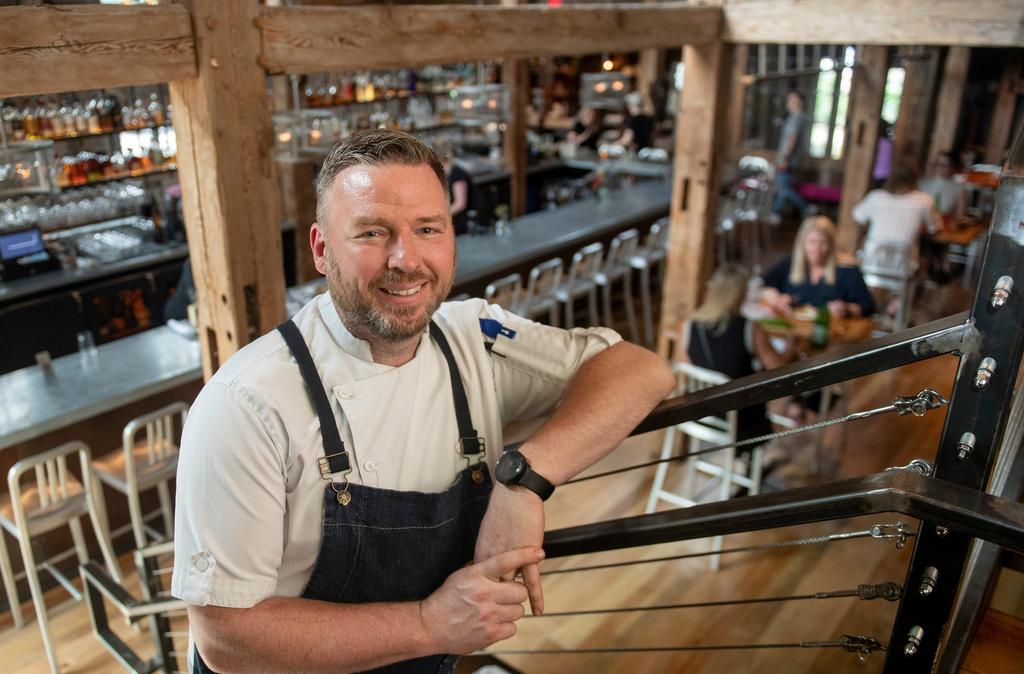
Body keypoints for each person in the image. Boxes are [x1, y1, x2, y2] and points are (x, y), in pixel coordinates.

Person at [173, 129, 674, 673]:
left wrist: (524, 481)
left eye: (428, 229)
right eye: (371, 232)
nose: (406, 259)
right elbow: (227, 639)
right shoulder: (246, 404)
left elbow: (641, 370)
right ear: (321, 249)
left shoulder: (472, 336)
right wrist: (430, 625)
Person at [682, 265, 789, 444]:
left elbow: (686, 368)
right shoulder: (750, 328)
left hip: (699, 411)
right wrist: (791, 347)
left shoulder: (689, 326)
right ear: (740, 294)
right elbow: (778, 368)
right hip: (741, 418)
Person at [761, 216, 876, 319]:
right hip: (794, 331)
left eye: (823, 243)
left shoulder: (847, 270)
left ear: (831, 245)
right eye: (812, 242)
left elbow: (868, 307)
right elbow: (764, 285)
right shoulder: (790, 263)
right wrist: (777, 299)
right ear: (802, 243)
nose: (817, 248)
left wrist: (846, 309)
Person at [852, 164, 942, 274]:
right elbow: (935, 228)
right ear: (916, 180)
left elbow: (858, 217)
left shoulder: (875, 197)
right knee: (926, 258)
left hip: (871, 260)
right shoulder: (925, 201)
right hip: (905, 265)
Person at [773, 90, 810, 219]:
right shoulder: (802, 117)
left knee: (784, 188)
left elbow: (792, 139)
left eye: (792, 99)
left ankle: (806, 207)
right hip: (793, 160)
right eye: (789, 99)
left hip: (788, 160)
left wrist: (785, 159)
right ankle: (776, 212)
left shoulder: (796, 117)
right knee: (783, 187)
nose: (789, 102)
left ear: (800, 102)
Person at [436, 142, 472, 235]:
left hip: (466, 222)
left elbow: (460, 204)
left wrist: (440, 217)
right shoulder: (446, 174)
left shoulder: (457, 173)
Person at [919, 151, 967, 218]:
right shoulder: (922, 182)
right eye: (938, 164)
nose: (940, 168)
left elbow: (960, 215)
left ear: (953, 167)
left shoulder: (958, 188)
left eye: (945, 165)